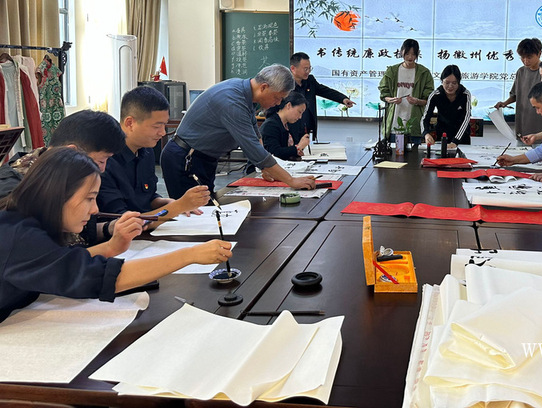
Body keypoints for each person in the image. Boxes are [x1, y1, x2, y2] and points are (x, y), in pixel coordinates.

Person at [0, 147, 232, 322]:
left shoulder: (25, 223)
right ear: (57, 194)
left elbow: (63, 263)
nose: (95, 210)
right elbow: (99, 277)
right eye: (89, 198)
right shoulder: (20, 237)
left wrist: (111, 248)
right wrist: (189, 255)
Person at [160, 65, 316, 198]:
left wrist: (265, 168)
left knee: (207, 209)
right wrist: (291, 180)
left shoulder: (245, 93)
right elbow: (253, 148)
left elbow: (256, 136)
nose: (278, 103)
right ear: (264, 87)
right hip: (186, 159)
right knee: (193, 215)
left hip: (203, 158)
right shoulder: (232, 100)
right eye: (277, 97)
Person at [98, 86, 210, 220]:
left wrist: (170, 203)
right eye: (156, 126)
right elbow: (122, 222)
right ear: (130, 123)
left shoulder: (146, 152)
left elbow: (148, 198)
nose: (162, 133)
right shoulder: (104, 161)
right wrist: (178, 206)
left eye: (164, 125)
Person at [0, 109, 126, 199]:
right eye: (101, 161)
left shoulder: (64, 177)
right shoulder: (15, 193)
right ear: (72, 152)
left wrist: (108, 226)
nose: (102, 169)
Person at [273, 52, 355, 143]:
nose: (308, 71)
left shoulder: (310, 80)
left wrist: (343, 99)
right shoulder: (284, 84)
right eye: (305, 69)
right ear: (293, 68)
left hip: (307, 129)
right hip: (289, 131)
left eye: (309, 68)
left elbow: (326, 91)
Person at [378, 39, 434, 141]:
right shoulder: (392, 71)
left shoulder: (424, 73)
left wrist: (417, 101)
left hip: (415, 123)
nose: (410, 57)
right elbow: (384, 93)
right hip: (394, 123)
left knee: (415, 150)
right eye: (407, 54)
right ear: (401, 52)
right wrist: (391, 100)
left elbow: (429, 98)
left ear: (417, 54)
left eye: (413, 54)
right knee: (393, 150)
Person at [493, 38, 542, 139]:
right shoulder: (521, 72)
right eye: (522, 57)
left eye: (529, 57)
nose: (525, 61)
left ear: (539, 54)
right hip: (522, 124)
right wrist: (505, 103)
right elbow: (516, 95)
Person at [422, 65, 472, 147]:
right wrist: (426, 133)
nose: (450, 86)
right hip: (442, 136)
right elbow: (425, 118)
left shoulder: (465, 94)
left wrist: (455, 141)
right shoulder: (435, 95)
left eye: (454, 83)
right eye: (447, 82)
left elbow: (466, 119)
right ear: (442, 81)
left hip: (462, 138)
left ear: (459, 82)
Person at [260, 92, 311, 160]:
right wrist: (298, 147)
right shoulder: (270, 125)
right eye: (299, 112)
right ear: (288, 105)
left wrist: (297, 150)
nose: (300, 117)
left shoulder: (289, 124)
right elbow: (274, 153)